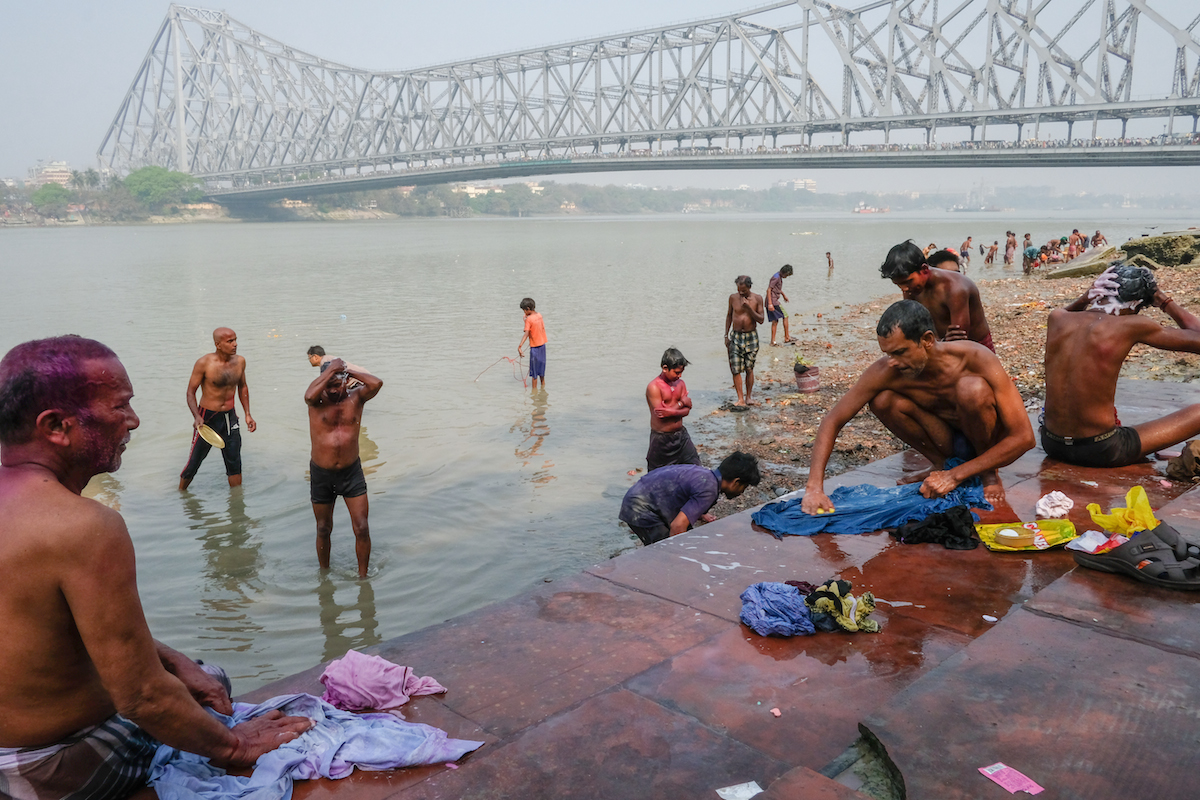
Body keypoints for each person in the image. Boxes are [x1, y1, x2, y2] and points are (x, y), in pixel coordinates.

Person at [0, 336, 312, 798]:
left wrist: (173, 659)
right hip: (43, 767)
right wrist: (234, 747)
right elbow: (142, 697)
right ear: (56, 426)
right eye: (120, 406)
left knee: (196, 679)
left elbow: (55, 624)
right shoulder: (84, 527)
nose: (134, 421)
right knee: (210, 691)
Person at [801, 302, 1034, 512]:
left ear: (927, 340)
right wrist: (814, 487)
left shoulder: (976, 358)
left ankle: (986, 473)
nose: (892, 361)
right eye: (887, 353)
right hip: (945, 440)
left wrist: (955, 476)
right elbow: (833, 420)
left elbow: (1024, 438)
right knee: (883, 400)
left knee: (971, 389)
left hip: (986, 439)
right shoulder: (886, 371)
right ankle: (940, 464)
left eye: (900, 352)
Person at [1041, 263, 1200, 467]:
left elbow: (1067, 312)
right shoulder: (1131, 325)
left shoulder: (1057, 318)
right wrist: (1162, 299)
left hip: (1051, 443)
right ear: (1134, 304)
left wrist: (1084, 298)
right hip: (1101, 449)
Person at [305, 358, 383, 578]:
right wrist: (330, 372)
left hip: (351, 472)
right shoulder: (316, 400)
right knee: (323, 528)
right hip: (321, 473)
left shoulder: (356, 397)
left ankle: (363, 577)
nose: (331, 391)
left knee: (362, 528)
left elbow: (376, 383)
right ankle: (324, 575)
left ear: (345, 382)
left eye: (336, 384)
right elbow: (308, 395)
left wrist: (348, 372)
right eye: (327, 385)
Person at [619, 452, 761, 545]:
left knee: (684, 538)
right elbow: (677, 526)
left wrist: (699, 513)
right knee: (664, 550)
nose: (742, 492)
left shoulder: (705, 475)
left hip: (641, 497)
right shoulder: (709, 490)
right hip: (639, 509)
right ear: (736, 482)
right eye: (745, 486)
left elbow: (684, 495)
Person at [881, 241, 995, 351]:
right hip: (940, 343)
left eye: (908, 282)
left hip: (976, 345)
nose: (904, 288)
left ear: (925, 270)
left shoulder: (954, 288)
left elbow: (960, 338)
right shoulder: (911, 288)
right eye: (898, 284)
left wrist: (937, 342)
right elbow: (916, 323)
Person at [180, 327, 255, 491]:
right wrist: (197, 416)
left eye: (235, 340)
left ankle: (237, 506)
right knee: (194, 461)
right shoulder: (204, 363)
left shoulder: (240, 362)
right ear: (218, 344)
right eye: (230, 341)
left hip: (229, 417)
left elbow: (243, 387)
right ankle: (180, 494)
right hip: (207, 418)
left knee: (234, 461)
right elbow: (190, 393)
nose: (235, 344)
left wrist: (248, 414)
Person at [645, 348, 701, 471]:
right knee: (657, 476)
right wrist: (681, 403)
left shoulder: (680, 384)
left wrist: (672, 411)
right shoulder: (654, 387)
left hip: (681, 436)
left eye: (681, 372)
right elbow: (662, 414)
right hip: (661, 439)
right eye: (676, 372)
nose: (679, 375)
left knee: (695, 469)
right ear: (665, 368)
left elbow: (687, 410)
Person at [724, 275, 765, 408]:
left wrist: (749, 309)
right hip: (736, 336)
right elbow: (729, 315)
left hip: (751, 336)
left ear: (749, 287)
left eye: (744, 291)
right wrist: (726, 335)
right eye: (739, 290)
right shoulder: (733, 298)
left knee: (749, 368)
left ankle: (748, 397)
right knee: (735, 369)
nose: (741, 293)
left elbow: (761, 319)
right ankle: (740, 399)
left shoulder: (757, 298)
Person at [517, 298, 547, 391]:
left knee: (534, 374)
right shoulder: (539, 315)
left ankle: (534, 394)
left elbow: (526, 333)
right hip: (542, 346)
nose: (524, 312)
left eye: (524, 310)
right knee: (541, 372)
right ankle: (543, 389)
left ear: (528, 309)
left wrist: (520, 346)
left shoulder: (529, 320)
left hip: (535, 348)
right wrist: (526, 320)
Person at [766, 264, 795, 346]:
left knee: (775, 321)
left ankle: (773, 341)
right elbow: (769, 289)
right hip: (773, 301)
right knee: (785, 316)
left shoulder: (778, 276)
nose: (787, 276)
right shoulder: (776, 277)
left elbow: (777, 288)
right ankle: (786, 337)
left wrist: (783, 295)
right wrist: (770, 304)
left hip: (773, 300)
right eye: (787, 275)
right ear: (785, 272)